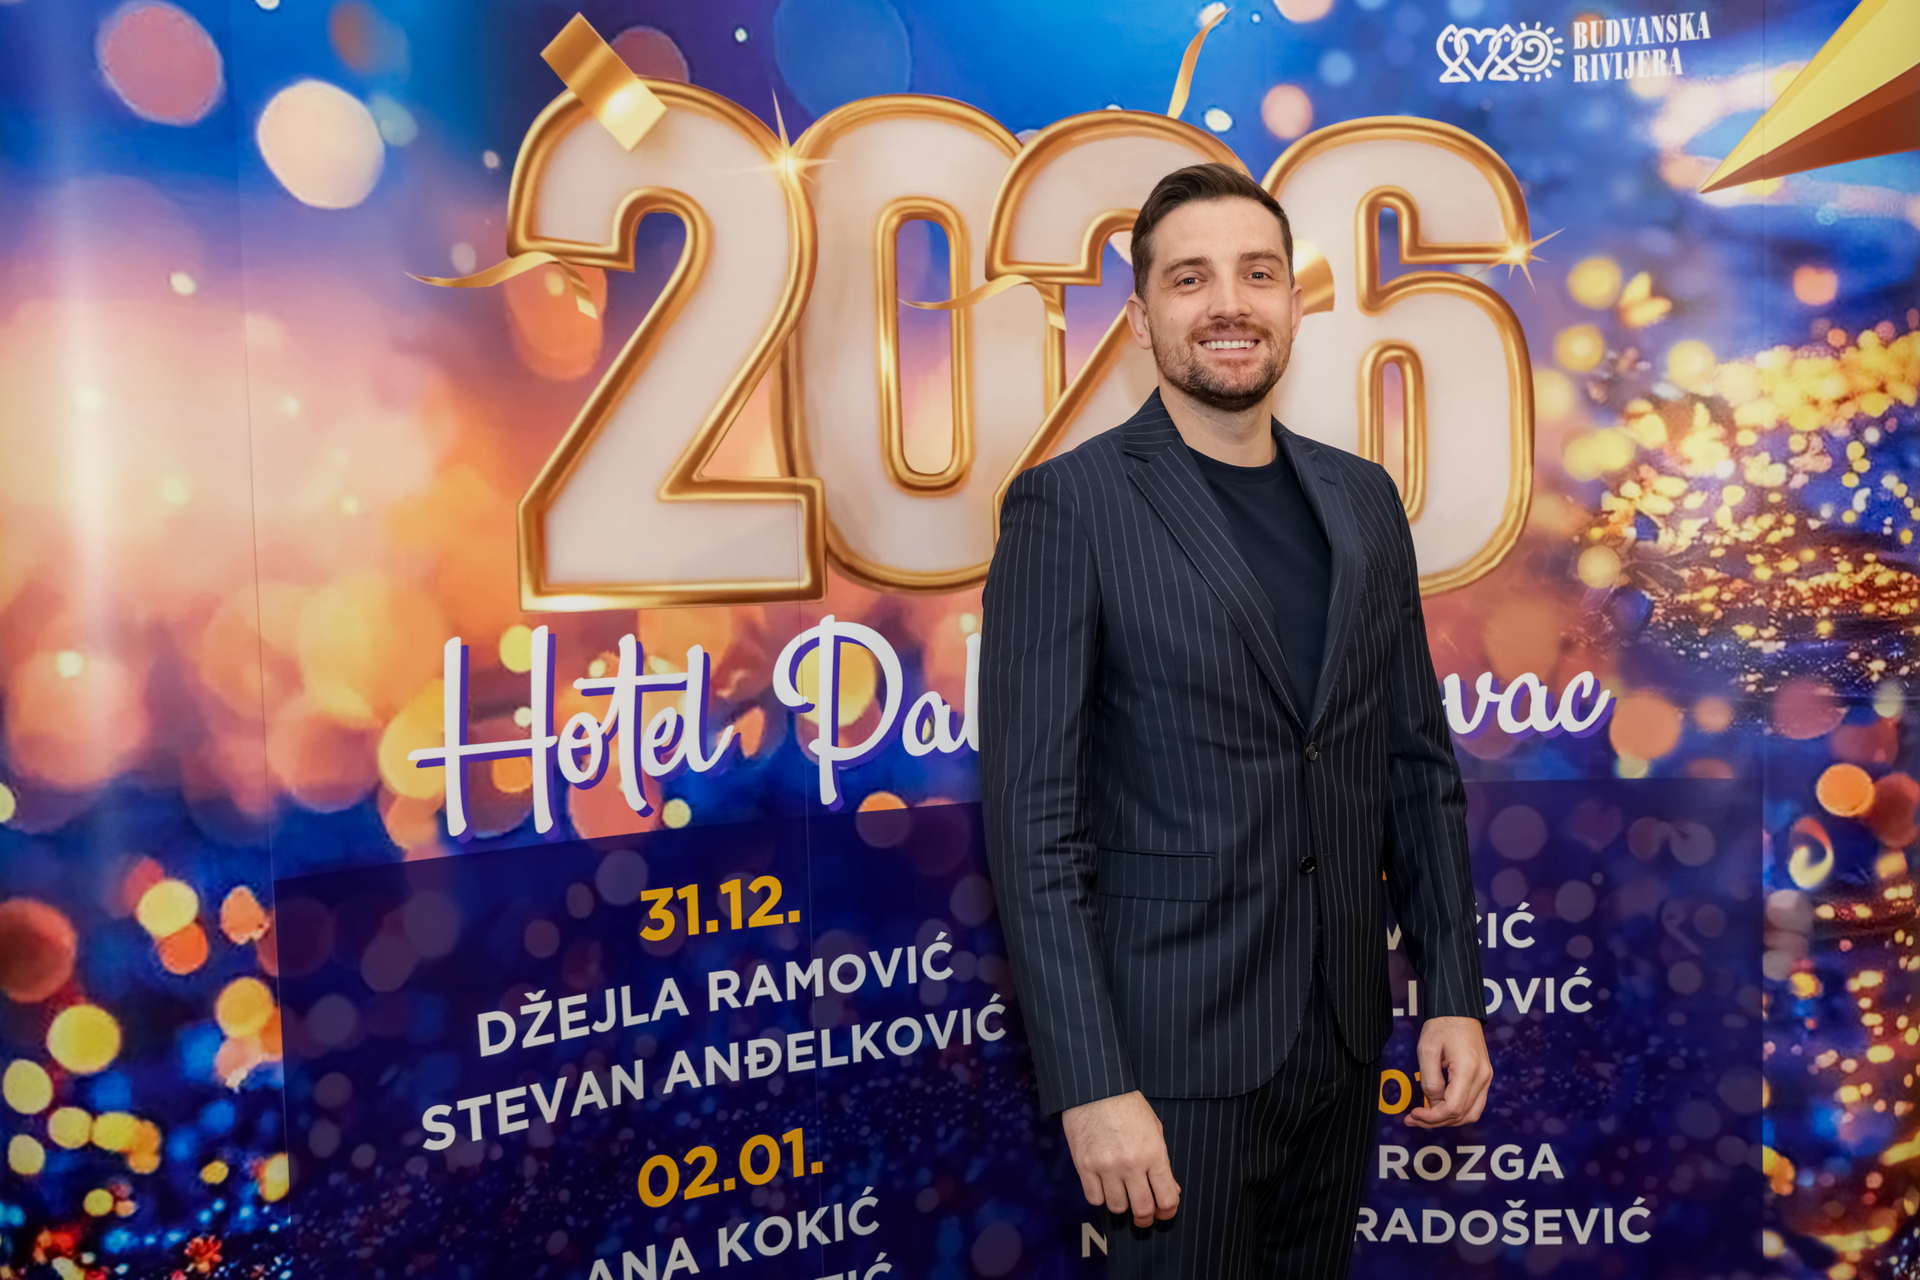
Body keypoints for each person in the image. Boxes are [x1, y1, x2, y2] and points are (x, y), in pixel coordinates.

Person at [978, 162, 1493, 1279]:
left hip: (1341, 1041)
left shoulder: (1363, 499)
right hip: (1167, 1061)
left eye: (1258, 274)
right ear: (1140, 318)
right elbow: (1032, 823)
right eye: (1190, 278)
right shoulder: (1070, 505)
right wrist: (1092, 1083)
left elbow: (1415, 766)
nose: (1229, 303)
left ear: (1294, 303)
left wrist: (1452, 991)